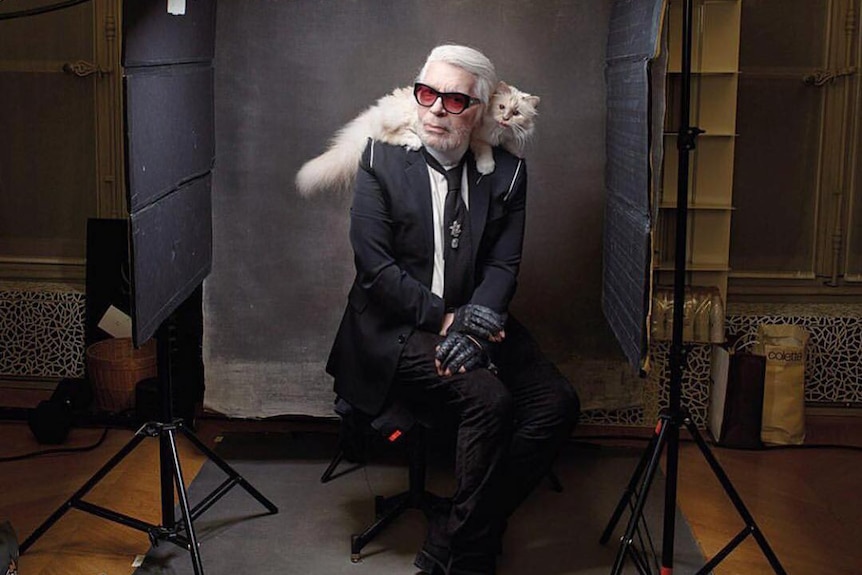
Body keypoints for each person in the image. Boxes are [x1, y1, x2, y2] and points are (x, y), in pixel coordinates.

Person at [326, 44, 579, 575]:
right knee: (488, 398)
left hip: (477, 316)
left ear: (481, 110)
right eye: (427, 94)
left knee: (556, 403)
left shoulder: (507, 174)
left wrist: (477, 326)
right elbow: (375, 268)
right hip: (396, 324)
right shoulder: (379, 158)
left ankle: (462, 527)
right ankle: (467, 558)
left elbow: (503, 267)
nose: (437, 108)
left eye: (455, 99)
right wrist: (447, 320)